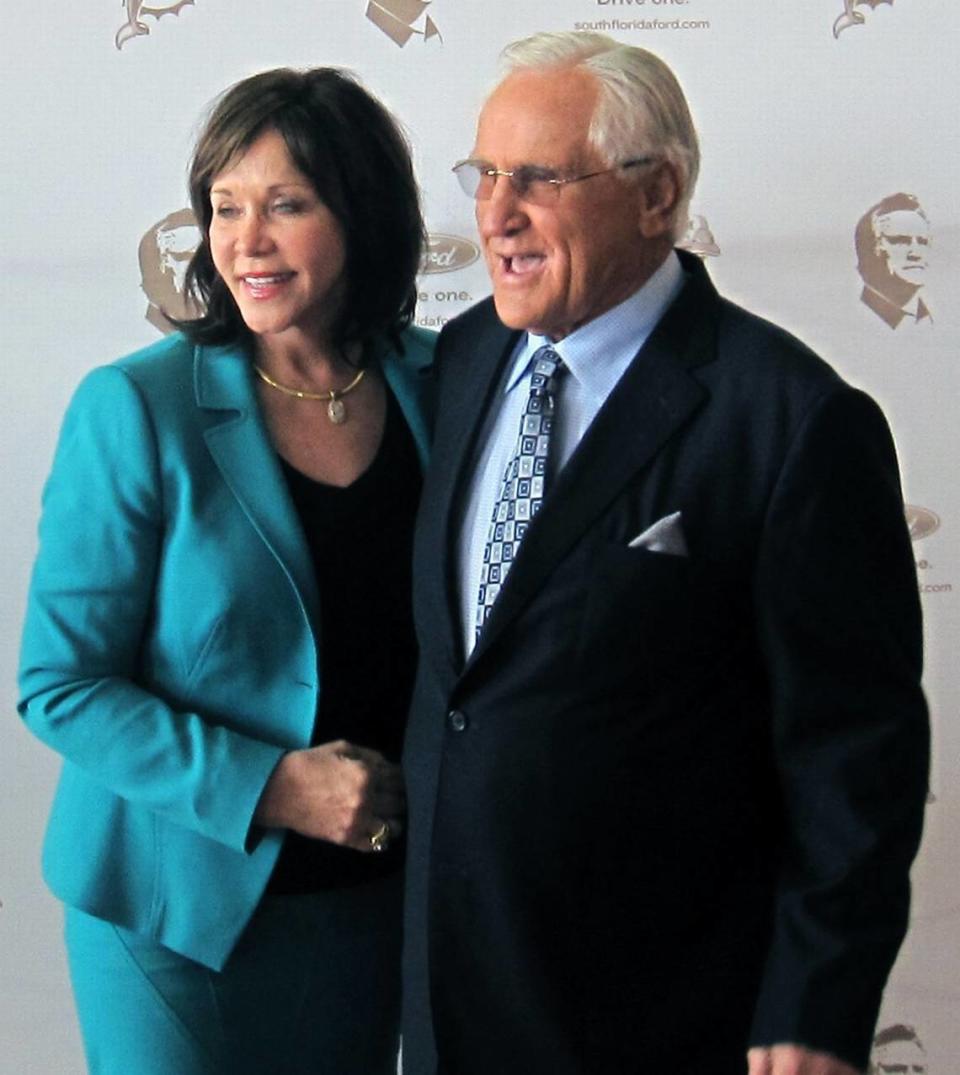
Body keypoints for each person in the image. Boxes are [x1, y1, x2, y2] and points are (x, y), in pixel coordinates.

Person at [401, 31, 928, 1075]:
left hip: (659, 1013)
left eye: (539, 179)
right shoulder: (461, 361)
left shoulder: (789, 421)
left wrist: (815, 1005)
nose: (494, 216)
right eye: (485, 175)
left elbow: (853, 754)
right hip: (450, 996)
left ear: (657, 194)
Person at [18, 66, 433, 1074]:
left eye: (286, 205)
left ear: (363, 214)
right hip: (173, 914)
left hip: (383, 902)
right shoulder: (136, 407)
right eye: (224, 205)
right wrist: (277, 788)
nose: (244, 239)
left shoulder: (447, 379)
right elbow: (59, 685)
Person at [855, 193, 932, 329]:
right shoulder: (856, 321)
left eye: (922, 241)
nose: (916, 253)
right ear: (873, 248)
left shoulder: (931, 317)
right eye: (900, 241)